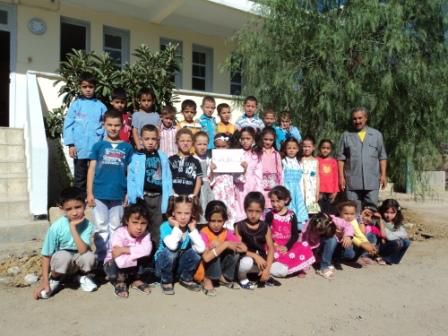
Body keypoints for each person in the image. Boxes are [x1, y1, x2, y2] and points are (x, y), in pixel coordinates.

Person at [87, 109, 134, 263]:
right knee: (101, 227)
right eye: (110, 125)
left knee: (115, 227)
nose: (113, 128)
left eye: (116, 125)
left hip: (118, 194)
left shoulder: (127, 148)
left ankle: (112, 258)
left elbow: (130, 172)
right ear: (104, 125)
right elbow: (91, 169)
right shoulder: (98, 146)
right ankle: (102, 258)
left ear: (122, 125)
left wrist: (128, 192)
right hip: (99, 193)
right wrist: (89, 193)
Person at [33, 187, 97, 300]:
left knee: (89, 257)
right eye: (69, 209)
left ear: (85, 205)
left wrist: (72, 228)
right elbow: (46, 255)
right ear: (62, 209)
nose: (74, 212)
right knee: (63, 256)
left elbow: (82, 250)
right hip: (62, 262)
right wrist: (45, 282)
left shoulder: (88, 225)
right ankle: (55, 279)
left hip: (78, 259)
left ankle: (80, 277)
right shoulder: (56, 227)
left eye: (78, 207)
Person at [127, 124, 173, 247]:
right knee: (142, 225)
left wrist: (169, 196)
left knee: (157, 226)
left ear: (158, 140)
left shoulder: (162, 156)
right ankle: (142, 252)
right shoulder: (136, 157)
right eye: (147, 139)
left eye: (153, 139)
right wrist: (133, 197)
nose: (150, 142)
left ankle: (155, 254)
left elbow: (168, 178)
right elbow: (131, 179)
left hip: (159, 197)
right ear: (141, 140)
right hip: (143, 198)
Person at [63, 72, 107, 192]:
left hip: (96, 147)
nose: (88, 90)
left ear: (95, 87)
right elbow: (68, 124)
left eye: (91, 87)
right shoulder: (76, 105)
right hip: (80, 148)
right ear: (80, 87)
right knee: (80, 177)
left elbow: (107, 126)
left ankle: (94, 199)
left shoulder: (101, 106)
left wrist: (104, 145)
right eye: (84, 87)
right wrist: (71, 144)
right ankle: (80, 200)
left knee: (96, 175)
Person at [337, 106, 388, 211]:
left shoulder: (376, 135)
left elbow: (382, 156)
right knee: (352, 211)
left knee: (371, 211)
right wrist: (341, 177)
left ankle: (370, 228)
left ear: (366, 118)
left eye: (360, 118)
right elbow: (341, 158)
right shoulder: (346, 135)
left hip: (372, 180)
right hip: (352, 181)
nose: (357, 121)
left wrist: (383, 175)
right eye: (354, 119)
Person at [155, 195, 205, 295]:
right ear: (173, 213)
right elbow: (172, 246)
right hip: (162, 268)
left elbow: (201, 249)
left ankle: (185, 278)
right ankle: (166, 281)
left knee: (195, 252)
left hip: (177, 267)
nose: (183, 217)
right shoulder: (165, 226)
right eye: (179, 213)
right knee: (172, 251)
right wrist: (176, 226)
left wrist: (193, 229)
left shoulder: (189, 229)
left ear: (192, 214)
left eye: (187, 213)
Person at [103, 202, 152, 298]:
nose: (139, 227)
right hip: (114, 266)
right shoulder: (119, 233)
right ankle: (120, 283)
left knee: (146, 258)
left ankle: (135, 280)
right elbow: (119, 260)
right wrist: (137, 253)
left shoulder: (146, 234)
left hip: (130, 265)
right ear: (126, 221)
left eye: (143, 223)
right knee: (114, 265)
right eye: (135, 222)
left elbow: (147, 250)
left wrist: (124, 249)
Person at [265, 186, 315, 278]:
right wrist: (274, 244)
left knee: (304, 246)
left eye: (278, 201)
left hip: (288, 244)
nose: (275, 204)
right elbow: (266, 232)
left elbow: (295, 235)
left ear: (286, 200)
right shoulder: (270, 215)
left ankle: (297, 268)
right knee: (275, 253)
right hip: (274, 244)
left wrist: (287, 247)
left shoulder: (291, 215)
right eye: (272, 201)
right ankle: (289, 268)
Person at [200, 201, 247, 296]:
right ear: (207, 219)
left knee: (235, 252)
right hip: (205, 267)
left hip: (219, 266)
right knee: (215, 252)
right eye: (213, 221)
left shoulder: (226, 232)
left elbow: (243, 248)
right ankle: (207, 280)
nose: (216, 225)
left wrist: (226, 244)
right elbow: (206, 258)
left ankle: (222, 278)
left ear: (224, 220)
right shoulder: (204, 232)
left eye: (220, 221)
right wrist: (224, 245)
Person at [235, 192, 278, 289]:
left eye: (257, 211)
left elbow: (271, 248)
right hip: (246, 259)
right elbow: (238, 248)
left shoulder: (265, 226)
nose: (253, 215)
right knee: (247, 263)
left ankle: (262, 275)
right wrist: (255, 256)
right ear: (245, 209)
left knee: (282, 270)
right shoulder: (240, 226)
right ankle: (242, 279)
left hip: (262, 261)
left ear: (262, 211)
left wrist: (267, 269)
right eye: (250, 211)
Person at [301, 213, 354, 280]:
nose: (319, 233)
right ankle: (324, 266)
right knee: (332, 240)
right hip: (318, 247)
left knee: (350, 254)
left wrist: (348, 236)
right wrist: (306, 261)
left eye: (321, 231)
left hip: (336, 244)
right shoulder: (310, 226)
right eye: (317, 231)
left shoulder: (334, 220)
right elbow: (305, 243)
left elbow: (348, 225)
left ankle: (333, 259)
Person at [210, 133, 239, 230]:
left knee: (230, 212)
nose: (221, 149)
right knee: (217, 211)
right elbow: (209, 181)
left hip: (230, 193)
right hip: (217, 192)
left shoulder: (233, 159)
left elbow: (238, 179)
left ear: (229, 146)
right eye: (218, 146)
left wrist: (243, 168)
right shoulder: (211, 160)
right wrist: (211, 170)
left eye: (224, 146)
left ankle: (230, 234)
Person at [234, 127, 263, 222]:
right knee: (240, 206)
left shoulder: (256, 154)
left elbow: (259, 174)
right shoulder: (237, 153)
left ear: (253, 139)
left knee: (252, 204)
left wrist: (259, 190)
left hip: (252, 185)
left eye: (248, 138)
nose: (245, 141)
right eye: (243, 139)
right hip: (239, 186)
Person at [337, 201, 378, 266]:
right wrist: (362, 244)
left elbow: (359, 233)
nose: (349, 216)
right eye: (346, 213)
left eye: (352, 214)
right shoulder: (338, 221)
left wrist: (367, 243)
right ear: (340, 212)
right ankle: (341, 258)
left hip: (352, 240)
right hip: (340, 243)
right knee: (350, 252)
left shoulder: (353, 221)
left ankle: (356, 258)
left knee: (367, 238)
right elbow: (347, 235)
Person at [280, 138, 308, 230]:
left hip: (298, 190)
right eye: (289, 148)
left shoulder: (300, 162)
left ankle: (299, 225)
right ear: (285, 149)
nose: (291, 150)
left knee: (299, 206)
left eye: (294, 148)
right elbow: (281, 177)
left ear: (298, 149)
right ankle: (288, 225)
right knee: (289, 207)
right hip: (287, 188)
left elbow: (302, 179)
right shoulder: (283, 161)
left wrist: (303, 191)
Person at [169, 128, 202, 197]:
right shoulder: (170, 160)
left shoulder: (196, 162)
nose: (185, 143)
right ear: (177, 143)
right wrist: (172, 193)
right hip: (174, 196)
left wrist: (194, 195)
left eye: (188, 141)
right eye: (182, 141)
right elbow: (167, 178)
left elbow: (199, 179)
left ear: (192, 143)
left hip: (190, 196)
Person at [378, 199, 411, 265]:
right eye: (386, 212)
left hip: (391, 244)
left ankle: (393, 260)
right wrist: (380, 221)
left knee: (407, 242)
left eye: (392, 213)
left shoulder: (396, 222)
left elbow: (405, 234)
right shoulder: (380, 221)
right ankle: (384, 258)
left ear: (397, 212)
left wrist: (393, 235)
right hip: (381, 247)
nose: (389, 215)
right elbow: (386, 236)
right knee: (399, 242)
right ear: (382, 211)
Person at [193, 131, 214, 224]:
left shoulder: (210, 157)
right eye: (199, 144)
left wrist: (212, 169)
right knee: (200, 207)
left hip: (209, 187)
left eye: (205, 144)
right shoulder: (193, 158)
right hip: (199, 187)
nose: (202, 147)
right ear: (194, 144)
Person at [260, 127, 282, 209]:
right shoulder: (258, 152)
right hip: (261, 184)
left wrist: (280, 186)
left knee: (272, 205)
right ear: (262, 138)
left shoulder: (276, 154)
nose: (268, 142)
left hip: (273, 184)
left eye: (271, 140)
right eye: (266, 139)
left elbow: (279, 171)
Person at [317, 139, 339, 214]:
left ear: (331, 150)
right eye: (323, 148)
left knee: (328, 213)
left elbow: (336, 177)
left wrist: (335, 191)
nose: (325, 150)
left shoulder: (333, 161)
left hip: (330, 192)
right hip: (319, 191)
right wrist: (316, 192)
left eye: (328, 148)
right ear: (319, 148)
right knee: (316, 212)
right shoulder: (316, 160)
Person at [301, 135, 321, 215]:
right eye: (304, 146)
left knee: (312, 212)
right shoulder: (300, 159)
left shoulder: (316, 161)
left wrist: (317, 192)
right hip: (302, 188)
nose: (306, 148)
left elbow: (317, 176)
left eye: (309, 146)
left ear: (313, 148)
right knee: (302, 211)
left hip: (312, 189)